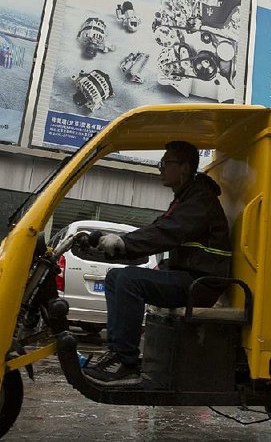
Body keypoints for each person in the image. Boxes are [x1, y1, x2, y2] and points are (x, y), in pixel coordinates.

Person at [83, 141, 232, 386]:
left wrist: (123, 241)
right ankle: (117, 354)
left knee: (129, 280)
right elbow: (156, 230)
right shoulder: (186, 198)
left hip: (201, 283)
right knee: (114, 277)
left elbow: (166, 232)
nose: (160, 169)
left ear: (184, 167)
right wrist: (110, 248)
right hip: (188, 277)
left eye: (166, 163)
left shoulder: (199, 200)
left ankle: (125, 361)